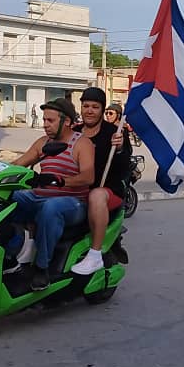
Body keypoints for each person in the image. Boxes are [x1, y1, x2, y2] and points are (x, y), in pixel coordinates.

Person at [11, 98, 95, 291]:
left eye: (50, 120)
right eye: (44, 120)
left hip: (72, 203)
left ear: (66, 121)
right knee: (8, 198)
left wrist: (60, 180)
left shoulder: (82, 144)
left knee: (51, 208)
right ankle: (10, 254)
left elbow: (88, 177)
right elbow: (19, 163)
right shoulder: (43, 143)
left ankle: (42, 267)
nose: (45, 125)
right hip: (39, 196)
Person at [69, 88, 133, 275]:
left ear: (102, 110)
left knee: (96, 196)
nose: (89, 110)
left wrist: (120, 148)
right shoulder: (73, 132)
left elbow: (124, 165)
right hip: (75, 188)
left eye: (95, 107)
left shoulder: (115, 132)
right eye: (85, 105)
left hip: (107, 190)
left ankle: (95, 255)